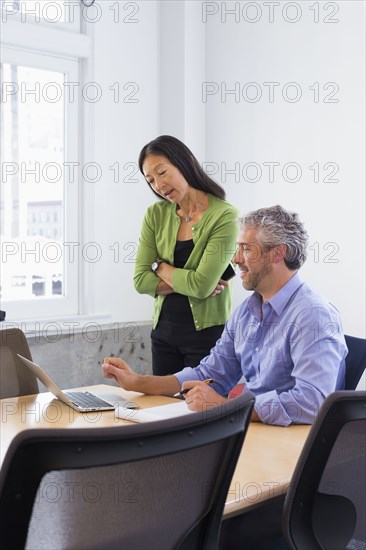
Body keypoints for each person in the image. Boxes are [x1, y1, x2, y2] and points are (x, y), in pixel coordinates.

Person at [103, 205, 347, 427]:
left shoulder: (314, 315)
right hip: (254, 429)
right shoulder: (246, 313)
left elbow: (313, 402)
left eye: (246, 249)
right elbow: (209, 375)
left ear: (277, 253)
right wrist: (138, 382)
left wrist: (223, 407)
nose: (236, 259)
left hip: (291, 443)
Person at [134, 135, 239, 376]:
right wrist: (191, 282)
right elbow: (140, 282)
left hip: (207, 338)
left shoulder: (225, 216)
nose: (158, 186)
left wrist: (158, 267)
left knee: (201, 412)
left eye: (162, 173)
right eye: (150, 180)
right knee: (163, 412)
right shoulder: (155, 214)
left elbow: (202, 287)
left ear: (183, 163)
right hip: (163, 335)